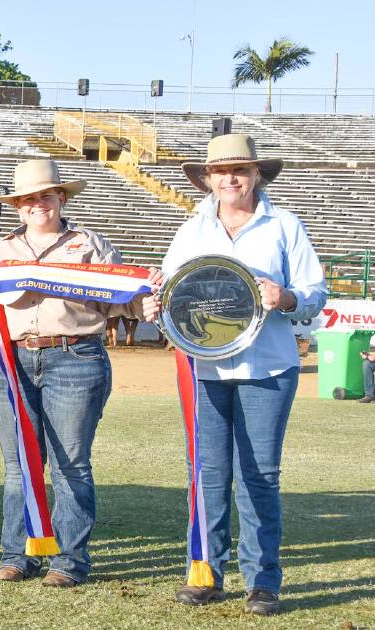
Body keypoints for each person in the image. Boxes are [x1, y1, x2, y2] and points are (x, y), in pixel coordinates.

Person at [144, 133, 326, 616]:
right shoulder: (191, 227)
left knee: (259, 476)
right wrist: (154, 304)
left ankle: (263, 581)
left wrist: (285, 298)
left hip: (268, 365)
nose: (231, 178)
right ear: (207, 179)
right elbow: (169, 292)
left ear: (257, 176)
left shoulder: (284, 225)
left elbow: (314, 292)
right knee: (207, 474)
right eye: (221, 171)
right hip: (203, 368)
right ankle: (204, 572)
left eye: (241, 170)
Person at [0, 159, 154, 588]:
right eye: (29, 199)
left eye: (46, 196)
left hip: (74, 357)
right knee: (19, 465)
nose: (38, 204)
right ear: (18, 206)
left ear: (62, 198)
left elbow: (120, 299)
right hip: (13, 361)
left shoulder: (90, 244)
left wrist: (146, 296)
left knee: (70, 464)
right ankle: (18, 554)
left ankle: (68, 561)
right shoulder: (4, 249)